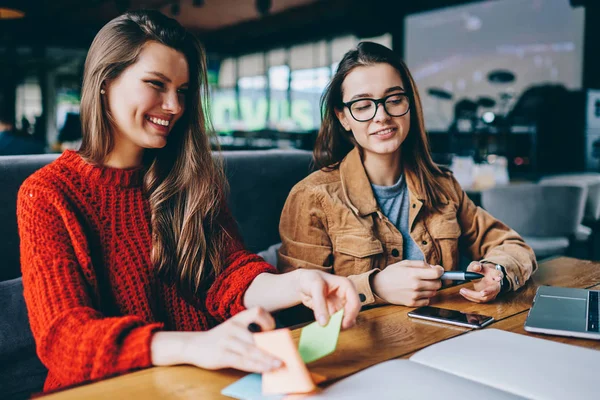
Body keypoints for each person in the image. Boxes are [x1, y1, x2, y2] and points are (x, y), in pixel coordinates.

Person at [17, 10, 360, 393]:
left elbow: (229, 277)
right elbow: (65, 341)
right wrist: (195, 346)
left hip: (205, 384)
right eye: (156, 84)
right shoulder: (48, 193)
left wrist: (299, 284)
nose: (174, 106)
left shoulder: (188, 177)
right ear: (105, 81)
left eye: (182, 91)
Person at [278, 42, 537, 308]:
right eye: (363, 105)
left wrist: (497, 273)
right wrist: (375, 287)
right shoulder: (312, 197)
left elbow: (514, 246)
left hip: (443, 335)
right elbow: (297, 302)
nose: (382, 116)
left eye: (394, 100)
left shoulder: (442, 186)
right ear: (343, 117)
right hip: (362, 345)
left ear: (409, 105)